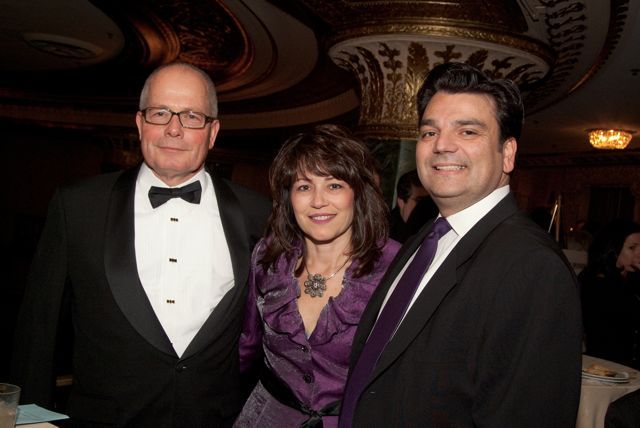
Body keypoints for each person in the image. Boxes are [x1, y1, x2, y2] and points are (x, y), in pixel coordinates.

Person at [11, 62, 271, 427]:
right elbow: (38, 329)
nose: (174, 129)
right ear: (139, 123)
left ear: (212, 132)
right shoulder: (78, 206)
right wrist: (26, 418)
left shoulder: (259, 213)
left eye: (192, 116)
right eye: (160, 113)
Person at [339, 62, 582, 427]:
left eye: (468, 131)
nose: (442, 145)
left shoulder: (533, 267)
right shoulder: (426, 237)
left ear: (508, 153)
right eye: (429, 132)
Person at [235, 124, 400, 427]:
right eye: (304, 187)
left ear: (358, 193)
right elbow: (247, 345)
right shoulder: (269, 257)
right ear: (289, 197)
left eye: (334, 185)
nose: (318, 201)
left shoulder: (395, 266)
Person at [579, 219, 640, 369]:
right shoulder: (596, 283)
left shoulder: (630, 280)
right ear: (612, 248)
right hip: (606, 368)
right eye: (632, 248)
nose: (639, 254)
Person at [389, 169, 437, 243]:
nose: (425, 207)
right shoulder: (384, 234)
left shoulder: (434, 229)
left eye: (431, 202)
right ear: (401, 202)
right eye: (419, 201)